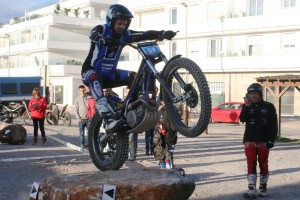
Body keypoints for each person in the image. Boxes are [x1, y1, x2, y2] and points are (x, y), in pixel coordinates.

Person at [81, 4, 176, 134]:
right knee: (93, 77)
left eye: (124, 24)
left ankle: (132, 109)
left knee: (136, 78)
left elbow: (144, 34)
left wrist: (162, 34)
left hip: (109, 75)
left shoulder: (125, 35)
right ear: (111, 21)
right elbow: (93, 34)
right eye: (119, 23)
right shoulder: (101, 30)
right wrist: (102, 39)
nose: (122, 27)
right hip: (90, 72)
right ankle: (107, 119)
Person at [239, 83, 278, 199]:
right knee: (251, 163)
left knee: (264, 164)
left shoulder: (269, 106)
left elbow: (273, 125)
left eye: (256, 93)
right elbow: (242, 119)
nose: (253, 96)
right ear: (248, 95)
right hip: (249, 140)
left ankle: (263, 188)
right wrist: (246, 106)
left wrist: (271, 139)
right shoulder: (246, 106)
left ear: (260, 94)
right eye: (251, 94)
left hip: (263, 141)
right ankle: (252, 189)